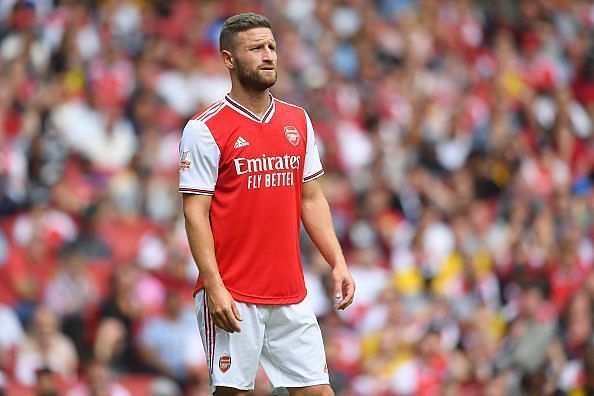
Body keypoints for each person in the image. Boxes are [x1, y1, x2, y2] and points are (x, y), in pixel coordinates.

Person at [178, 12, 355, 396]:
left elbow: (311, 197)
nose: (268, 55)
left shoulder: (298, 120)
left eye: (272, 47)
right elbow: (195, 213)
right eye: (256, 48)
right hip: (234, 292)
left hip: (291, 293)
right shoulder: (205, 128)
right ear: (229, 59)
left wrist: (337, 261)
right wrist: (214, 286)